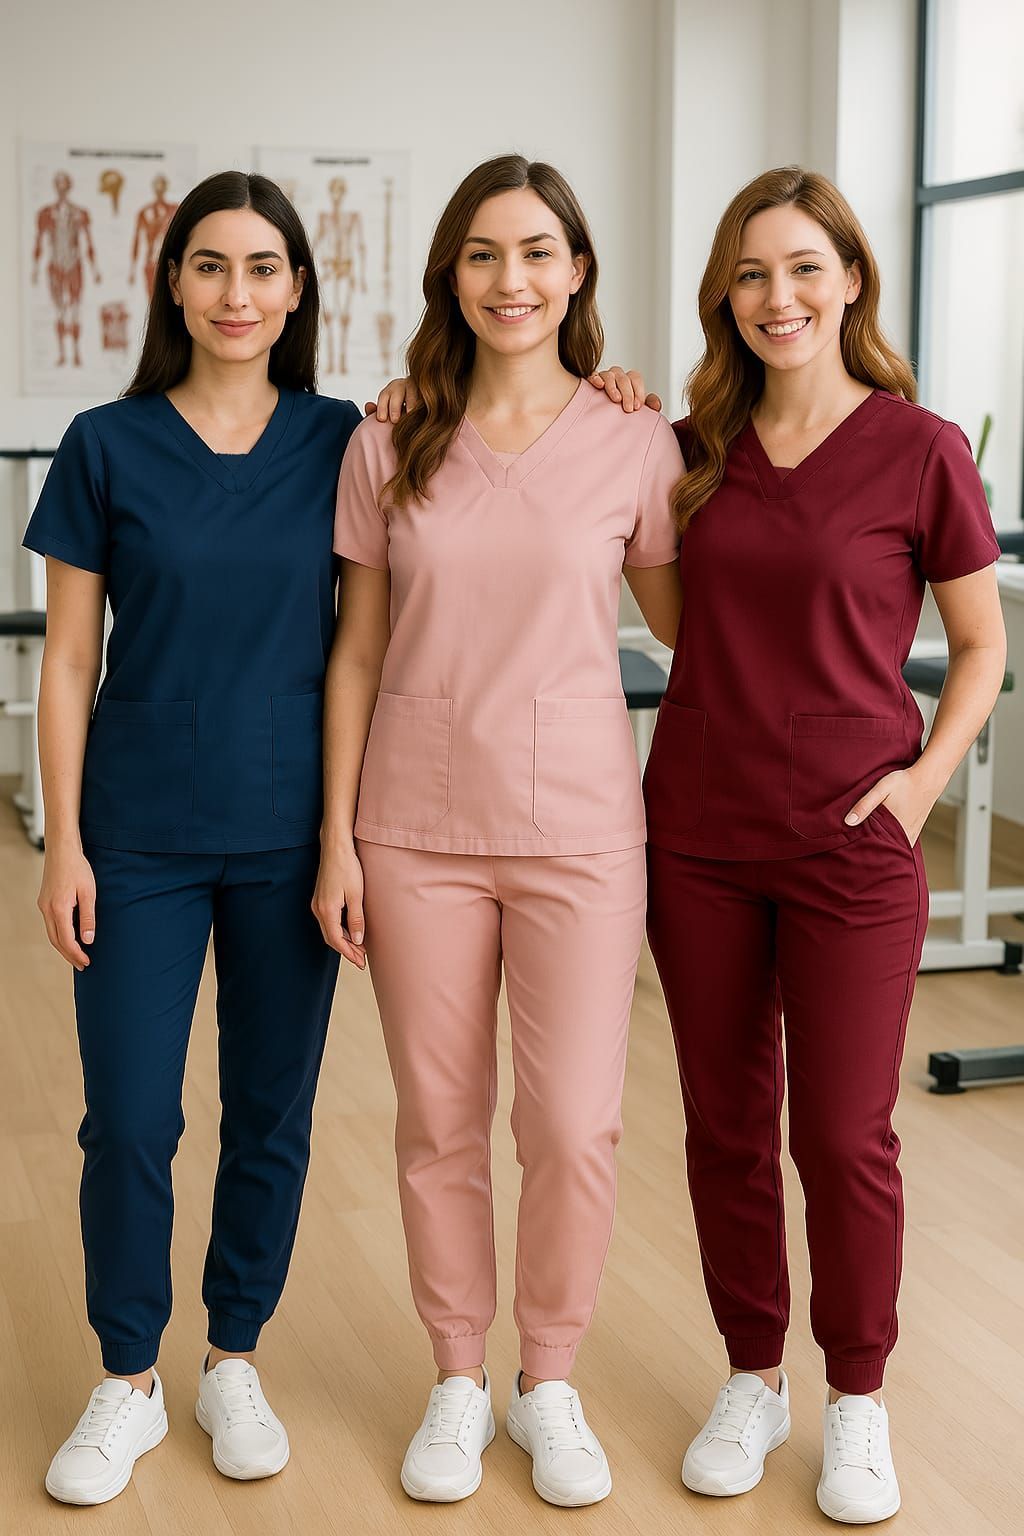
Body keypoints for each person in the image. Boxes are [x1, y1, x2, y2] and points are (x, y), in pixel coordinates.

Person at [625, 167, 1004, 1525]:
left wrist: (917, 789)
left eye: (801, 268)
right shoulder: (685, 449)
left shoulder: (921, 448)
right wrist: (622, 441)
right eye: (749, 274)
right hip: (704, 833)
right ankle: (751, 1374)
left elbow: (981, 646)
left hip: (855, 841)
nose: (776, 296)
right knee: (725, 1125)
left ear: (850, 280)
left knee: (842, 1136)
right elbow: (674, 628)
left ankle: (856, 1401)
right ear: (723, 297)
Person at [314, 153, 683, 1508]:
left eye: (537, 252)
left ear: (578, 270)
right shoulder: (388, 435)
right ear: (450, 278)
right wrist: (338, 839)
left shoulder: (636, 439)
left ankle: (551, 1381)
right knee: (439, 1117)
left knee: (576, 1125)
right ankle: (458, 1376)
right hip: (414, 826)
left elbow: (687, 628)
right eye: (483, 254)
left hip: (584, 828)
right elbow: (354, 653)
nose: (511, 278)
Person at [25, 170, 363, 1506]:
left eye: (264, 268)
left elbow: (371, 637)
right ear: (173, 283)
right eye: (211, 266)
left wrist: (617, 388)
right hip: (141, 834)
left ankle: (231, 1354)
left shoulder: (348, 438)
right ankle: (128, 1379)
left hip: (293, 832)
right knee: (128, 1117)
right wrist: (62, 844)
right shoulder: (105, 443)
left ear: (297, 290)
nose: (238, 292)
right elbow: (65, 662)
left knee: (270, 1113)